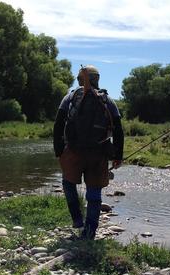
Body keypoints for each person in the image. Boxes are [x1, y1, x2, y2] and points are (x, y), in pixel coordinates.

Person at [53, 65, 124, 240]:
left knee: (68, 184)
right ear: (97, 79)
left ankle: (77, 219)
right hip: (99, 153)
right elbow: (118, 129)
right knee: (94, 192)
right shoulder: (107, 100)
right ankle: (90, 232)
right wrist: (117, 155)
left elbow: (58, 124)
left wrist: (59, 150)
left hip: (73, 152)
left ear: (79, 79)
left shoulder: (69, 97)